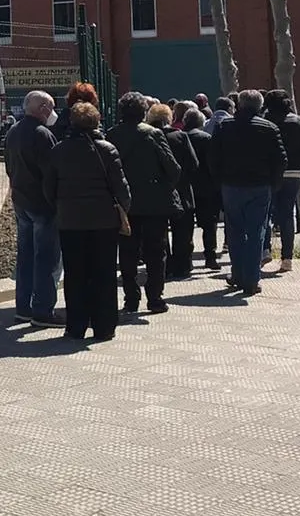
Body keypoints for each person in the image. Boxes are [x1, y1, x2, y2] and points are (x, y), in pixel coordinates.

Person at [43, 102, 131, 342]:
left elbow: (48, 187)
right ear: (97, 122)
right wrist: (124, 209)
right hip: (103, 221)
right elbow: (120, 187)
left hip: (70, 221)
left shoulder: (59, 150)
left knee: (75, 274)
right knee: (104, 273)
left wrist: (60, 207)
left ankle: (76, 326)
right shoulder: (107, 149)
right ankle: (104, 326)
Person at [107, 93, 181, 314]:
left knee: (127, 252)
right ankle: (155, 298)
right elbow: (173, 168)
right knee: (156, 252)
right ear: (143, 113)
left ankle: (131, 299)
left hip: (124, 205)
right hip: (154, 203)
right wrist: (163, 188)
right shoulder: (154, 134)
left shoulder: (112, 135)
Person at [210, 89, 286, 297]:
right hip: (260, 186)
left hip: (231, 185)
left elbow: (213, 156)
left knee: (234, 231)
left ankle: (237, 274)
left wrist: (219, 181)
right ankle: (252, 279)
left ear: (239, 105)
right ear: (260, 106)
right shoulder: (269, 128)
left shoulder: (224, 126)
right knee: (256, 232)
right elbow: (280, 159)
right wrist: (274, 184)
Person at [4, 91, 59, 325]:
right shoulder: (43, 134)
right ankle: (43, 310)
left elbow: (8, 167)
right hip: (42, 205)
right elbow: (52, 173)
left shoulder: (13, 131)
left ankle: (23, 307)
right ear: (43, 108)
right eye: (51, 107)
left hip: (21, 202)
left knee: (25, 256)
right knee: (46, 258)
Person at [263, 91, 300, 274]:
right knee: (287, 214)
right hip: (295, 171)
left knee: (266, 211)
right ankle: (287, 258)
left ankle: (265, 249)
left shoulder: (265, 122)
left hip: (269, 173)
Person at [146, 103, 199, 280]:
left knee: (159, 233)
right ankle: (182, 265)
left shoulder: (147, 137)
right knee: (183, 231)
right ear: (169, 118)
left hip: (155, 191)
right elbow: (193, 164)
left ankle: (165, 265)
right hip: (181, 189)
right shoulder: (180, 136)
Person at [182, 107, 223, 270]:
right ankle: (210, 257)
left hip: (186, 187)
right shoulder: (207, 138)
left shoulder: (180, 137)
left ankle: (186, 259)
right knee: (209, 224)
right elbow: (214, 163)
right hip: (206, 187)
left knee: (185, 226)